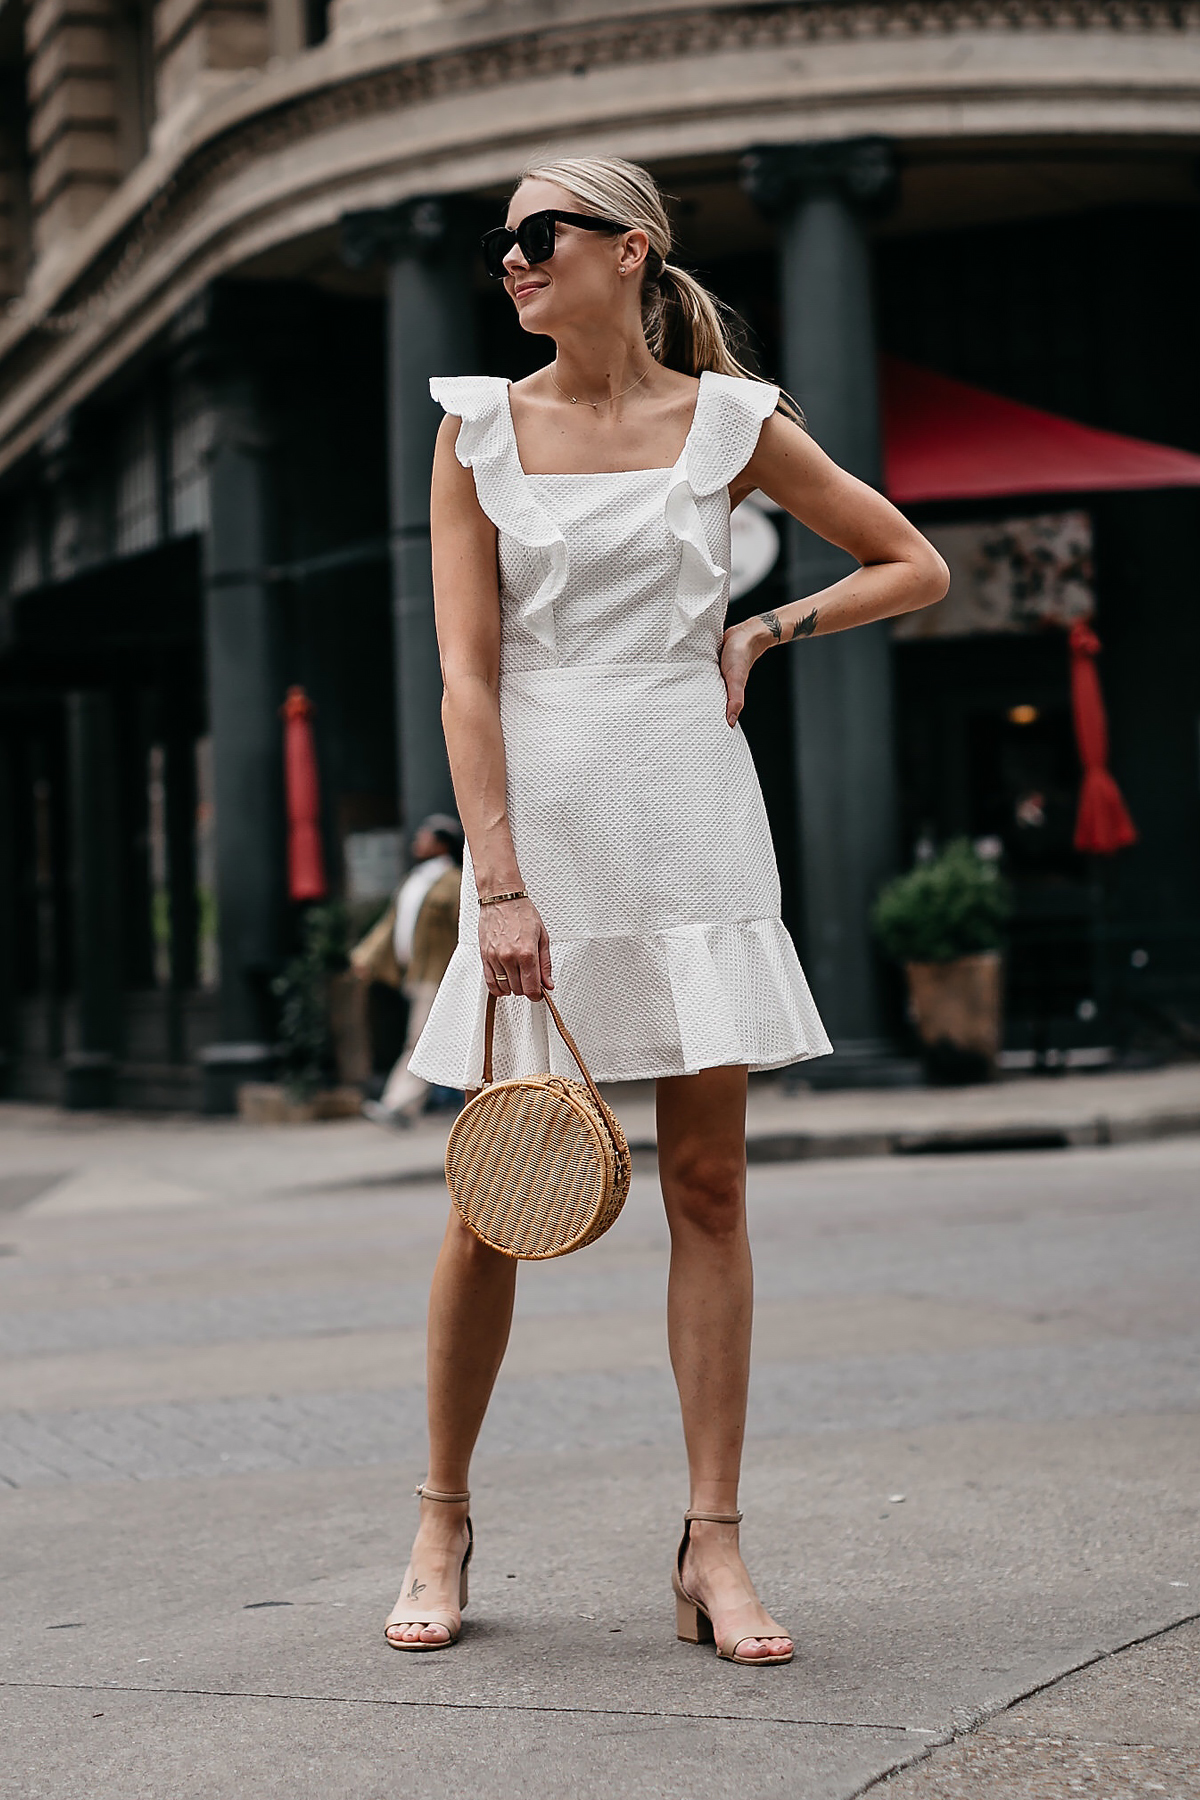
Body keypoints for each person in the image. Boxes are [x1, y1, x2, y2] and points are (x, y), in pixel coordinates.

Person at [383, 157, 948, 1659]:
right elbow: (464, 675)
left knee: (708, 1189)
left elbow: (914, 563)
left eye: (536, 235)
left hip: (691, 813)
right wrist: (496, 883)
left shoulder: (732, 425)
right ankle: (441, 1517)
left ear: (627, 252)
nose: (509, 259)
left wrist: (767, 625)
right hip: (545, 819)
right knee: (493, 1199)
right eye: (497, 240)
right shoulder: (477, 429)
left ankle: (713, 1544)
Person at [353, 814, 464, 1126]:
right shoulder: (416, 880)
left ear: (442, 843)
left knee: (419, 1042)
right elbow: (391, 925)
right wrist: (366, 957)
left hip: (441, 977)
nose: (418, 841)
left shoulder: (452, 882)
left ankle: (399, 1104)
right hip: (417, 975)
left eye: (425, 836)